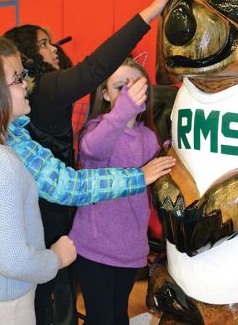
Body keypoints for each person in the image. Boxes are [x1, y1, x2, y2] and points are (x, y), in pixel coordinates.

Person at [3, 0, 179, 325]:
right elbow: (73, 179)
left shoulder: (19, 131)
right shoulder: (53, 101)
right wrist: (153, 11)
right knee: (55, 302)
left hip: (107, 242)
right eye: (15, 78)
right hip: (65, 232)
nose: (53, 48)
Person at [0, 49, 77, 325]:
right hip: (5, 307)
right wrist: (56, 258)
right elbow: (13, 260)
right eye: (17, 80)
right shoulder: (0, 162)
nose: (25, 85)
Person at [70, 57, 172, 325]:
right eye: (120, 88)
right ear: (104, 95)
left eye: (136, 88)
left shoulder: (147, 136)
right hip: (94, 248)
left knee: (118, 315)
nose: (129, 95)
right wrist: (122, 112)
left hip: (130, 248)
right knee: (101, 317)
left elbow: (156, 184)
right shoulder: (96, 129)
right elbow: (93, 149)